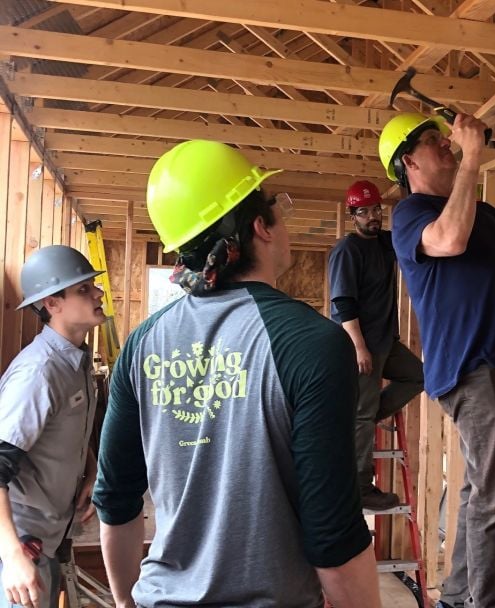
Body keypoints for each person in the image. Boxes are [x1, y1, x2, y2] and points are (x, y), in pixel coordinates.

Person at [92, 140, 381, 608]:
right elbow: (333, 534)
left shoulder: (142, 345)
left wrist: (126, 603)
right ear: (260, 227)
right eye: (276, 209)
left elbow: (115, 499)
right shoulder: (314, 342)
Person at [379, 113, 495, 608]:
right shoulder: (411, 214)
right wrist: (472, 160)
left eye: (444, 138)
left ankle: (456, 597)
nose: (446, 145)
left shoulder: (481, 212)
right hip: (472, 370)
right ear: (409, 162)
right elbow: (449, 240)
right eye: (432, 142)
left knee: (477, 494)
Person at [0, 245, 106, 608]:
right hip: (17, 553)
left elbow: (62, 430)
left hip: (49, 538)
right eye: (83, 289)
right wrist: (12, 556)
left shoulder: (74, 362)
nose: (98, 293)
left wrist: (89, 469)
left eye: (93, 284)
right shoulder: (39, 372)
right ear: (51, 304)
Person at [327, 180, 424, 511]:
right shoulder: (347, 250)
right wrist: (359, 347)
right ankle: (360, 487)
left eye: (377, 210)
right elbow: (343, 304)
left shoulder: (384, 244)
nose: (373, 217)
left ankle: (355, 420)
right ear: (352, 215)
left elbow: (411, 233)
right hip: (358, 344)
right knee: (362, 413)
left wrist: (412, 187)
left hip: (385, 342)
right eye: (365, 211)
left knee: (417, 376)